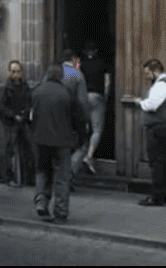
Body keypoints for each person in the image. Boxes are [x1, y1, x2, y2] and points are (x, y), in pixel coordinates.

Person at [29, 64, 88, 224]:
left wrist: (33, 134)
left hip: (41, 140)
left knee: (42, 171)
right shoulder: (67, 94)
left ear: (47, 75)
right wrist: (81, 139)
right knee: (62, 176)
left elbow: (30, 116)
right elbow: (79, 119)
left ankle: (41, 201)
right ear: (61, 76)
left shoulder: (37, 92)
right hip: (62, 142)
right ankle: (60, 211)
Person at [137, 58, 166, 207]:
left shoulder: (161, 85)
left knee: (156, 163)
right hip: (164, 128)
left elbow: (152, 105)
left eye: (148, 73)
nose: (147, 76)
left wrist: (140, 102)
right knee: (163, 162)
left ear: (155, 71)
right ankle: (165, 194)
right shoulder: (165, 84)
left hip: (158, 129)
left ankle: (157, 197)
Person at [76, 40, 111, 176]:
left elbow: (76, 73)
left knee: (84, 128)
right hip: (97, 97)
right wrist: (105, 99)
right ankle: (89, 155)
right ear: (96, 51)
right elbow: (107, 83)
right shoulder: (104, 63)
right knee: (97, 129)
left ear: (85, 51)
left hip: (84, 97)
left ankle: (79, 156)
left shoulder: (80, 62)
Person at [0, 60, 33, 188]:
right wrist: (13, 115)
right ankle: (9, 177)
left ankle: (28, 177)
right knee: (9, 150)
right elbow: (1, 106)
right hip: (10, 123)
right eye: (13, 71)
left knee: (29, 148)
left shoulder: (25, 85)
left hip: (22, 120)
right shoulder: (5, 87)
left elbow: (29, 101)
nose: (16, 74)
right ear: (9, 72)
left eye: (18, 71)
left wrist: (24, 114)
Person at [59, 49, 90, 191]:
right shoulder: (77, 74)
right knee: (82, 146)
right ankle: (68, 174)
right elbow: (82, 101)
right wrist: (86, 119)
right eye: (78, 60)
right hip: (73, 117)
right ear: (74, 59)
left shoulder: (55, 72)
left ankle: (59, 175)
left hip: (55, 117)